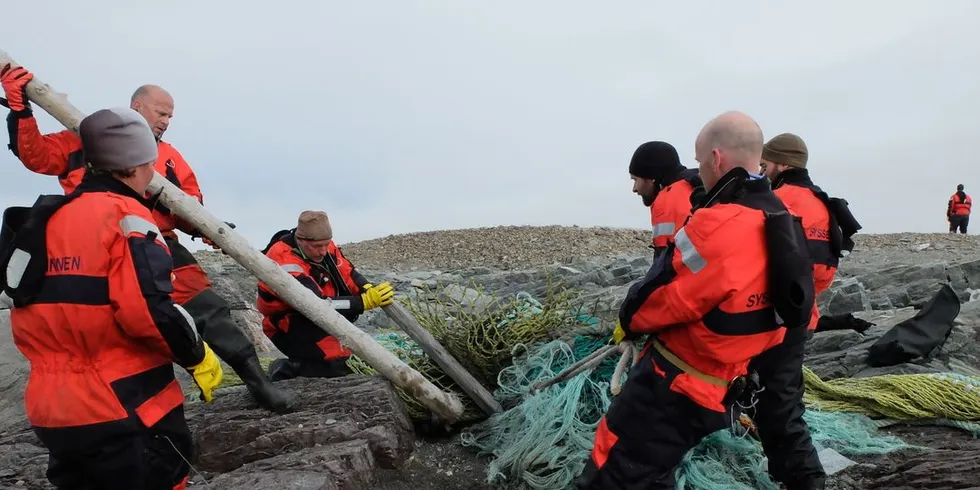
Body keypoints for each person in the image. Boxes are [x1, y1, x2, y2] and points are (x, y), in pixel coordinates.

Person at [0, 63, 295, 413]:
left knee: (209, 309)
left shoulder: (170, 157)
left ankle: (256, 381)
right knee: (109, 320)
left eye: (170, 116)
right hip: (89, 240)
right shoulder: (85, 137)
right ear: (138, 107)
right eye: (162, 112)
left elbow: (191, 207)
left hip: (158, 242)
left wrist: (209, 229)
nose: (167, 121)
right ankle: (119, 402)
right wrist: (21, 110)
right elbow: (38, 157)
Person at [577, 111, 815, 490]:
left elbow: (662, 294)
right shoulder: (783, 218)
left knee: (618, 467)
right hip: (726, 384)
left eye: (701, 161)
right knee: (655, 469)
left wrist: (628, 319)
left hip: (677, 381)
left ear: (717, 159)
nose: (699, 171)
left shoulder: (715, 225)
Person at [0, 107, 223, 490]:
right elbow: (148, 313)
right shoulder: (128, 217)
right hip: (125, 404)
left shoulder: (44, 219)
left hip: (54, 411)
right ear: (137, 166)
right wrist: (197, 355)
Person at [754, 132, 860, 490]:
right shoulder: (824, 204)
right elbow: (825, 271)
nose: (760, 168)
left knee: (778, 407)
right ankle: (785, 473)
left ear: (783, 164)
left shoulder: (774, 201)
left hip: (768, 320)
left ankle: (807, 480)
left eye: (766, 162)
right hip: (802, 318)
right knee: (779, 399)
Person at [257, 210, 395, 381]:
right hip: (289, 324)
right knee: (341, 364)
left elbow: (347, 272)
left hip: (318, 320)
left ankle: (304, 363)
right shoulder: (285, 261)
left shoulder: (323, 245)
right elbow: (315, 304)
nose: (323, 251)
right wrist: (362, 302)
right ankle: (288, 368)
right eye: (317, 247)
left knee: (356, 360)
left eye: (326, 244)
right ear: (300, 240)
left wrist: (366, 287)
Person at [628, 141, 704, 255]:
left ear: (652, 178)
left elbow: (675, 262)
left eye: (635, 180)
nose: (634, 189)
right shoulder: (693, 187)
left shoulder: (668, 202)